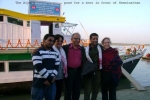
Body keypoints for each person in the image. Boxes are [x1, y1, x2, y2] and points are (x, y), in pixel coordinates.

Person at [31, 34, 60, 100]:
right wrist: (50, 78)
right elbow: (38, 67)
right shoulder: (37, 52)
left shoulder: (56, 53)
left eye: (53, 41)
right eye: (49, 40)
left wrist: (50, 80)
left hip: (51, 84)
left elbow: (56, 67)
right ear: (44, 40)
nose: (51, 42)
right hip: (39, 83)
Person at [63, 32, 86, 100]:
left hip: (78, 71)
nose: (77, 40)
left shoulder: (82, 49)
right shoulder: (65, 48)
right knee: (68, 90)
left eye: (79, 39)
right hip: (69, 71)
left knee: (77, 90)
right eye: (75, 38)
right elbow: (55, 49)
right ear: (71, 39)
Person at [83, 33, 103, 100]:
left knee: (95, 90)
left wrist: (115, 50)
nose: (95, 40)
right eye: (93, 39)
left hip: (98, 72)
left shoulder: (100, 48)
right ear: (90, 39)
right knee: (87, 91)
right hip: (88, 72)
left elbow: (108, 50)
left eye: (96, 39)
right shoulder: (85, 49)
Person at [53, 34, 67, 100]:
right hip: (53, 76)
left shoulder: (62, 49)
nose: (60, 42)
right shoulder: (51, 50)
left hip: (61, 75)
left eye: (61, 41)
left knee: (58, 93)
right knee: (52, 94)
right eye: (57, 41)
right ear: (54, 41)